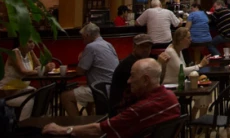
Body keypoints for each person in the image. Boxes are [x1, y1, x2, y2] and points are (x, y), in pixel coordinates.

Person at [43, 59, 180, 138]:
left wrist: (64, 130)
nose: (128, 81)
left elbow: (100, 130)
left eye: (132, 76)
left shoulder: (140, 109)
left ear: (145, 80)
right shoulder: (172, 98)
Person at [61, 23, 119, 117]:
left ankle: (78, 126)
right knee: (87, 88)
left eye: (83, 37)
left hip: (101, 89)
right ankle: (90, 119)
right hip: (113, 87)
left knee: (65, 96)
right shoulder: (108, 44)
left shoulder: (91, 47)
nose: (83, 41)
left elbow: (80, 71)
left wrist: (81, 58)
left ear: (87, 35)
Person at [158, 27, 210, 118]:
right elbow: (182, 71)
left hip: (181, 84)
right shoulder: (170, 51)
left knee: (205, 95)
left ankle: (195, 123)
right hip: (172, 87)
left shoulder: (179, 49)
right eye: (188, 37)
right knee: (203, 94)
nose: (191, 40)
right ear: (181, 40)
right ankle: (194, 123)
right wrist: (200, 65)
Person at [0, 39, 54, 120]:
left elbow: (40, 67)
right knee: (29, 102)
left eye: (33, 42)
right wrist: (44, 69)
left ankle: (40, 122)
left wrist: (47, 67)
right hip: (11, 92)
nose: (32, 45)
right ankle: (22, 126)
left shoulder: (30, 52)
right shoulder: (15, 52)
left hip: (22, 89)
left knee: (43, 97)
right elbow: (23, 71)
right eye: (29, 42)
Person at [108, 34, 153, 116]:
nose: (146, 49)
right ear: (134, 47)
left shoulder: (139, 62)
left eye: (148, 46)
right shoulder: (131, 65)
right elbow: (147, 88)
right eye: (142, 46)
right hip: (121, 110)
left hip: (131, 105)